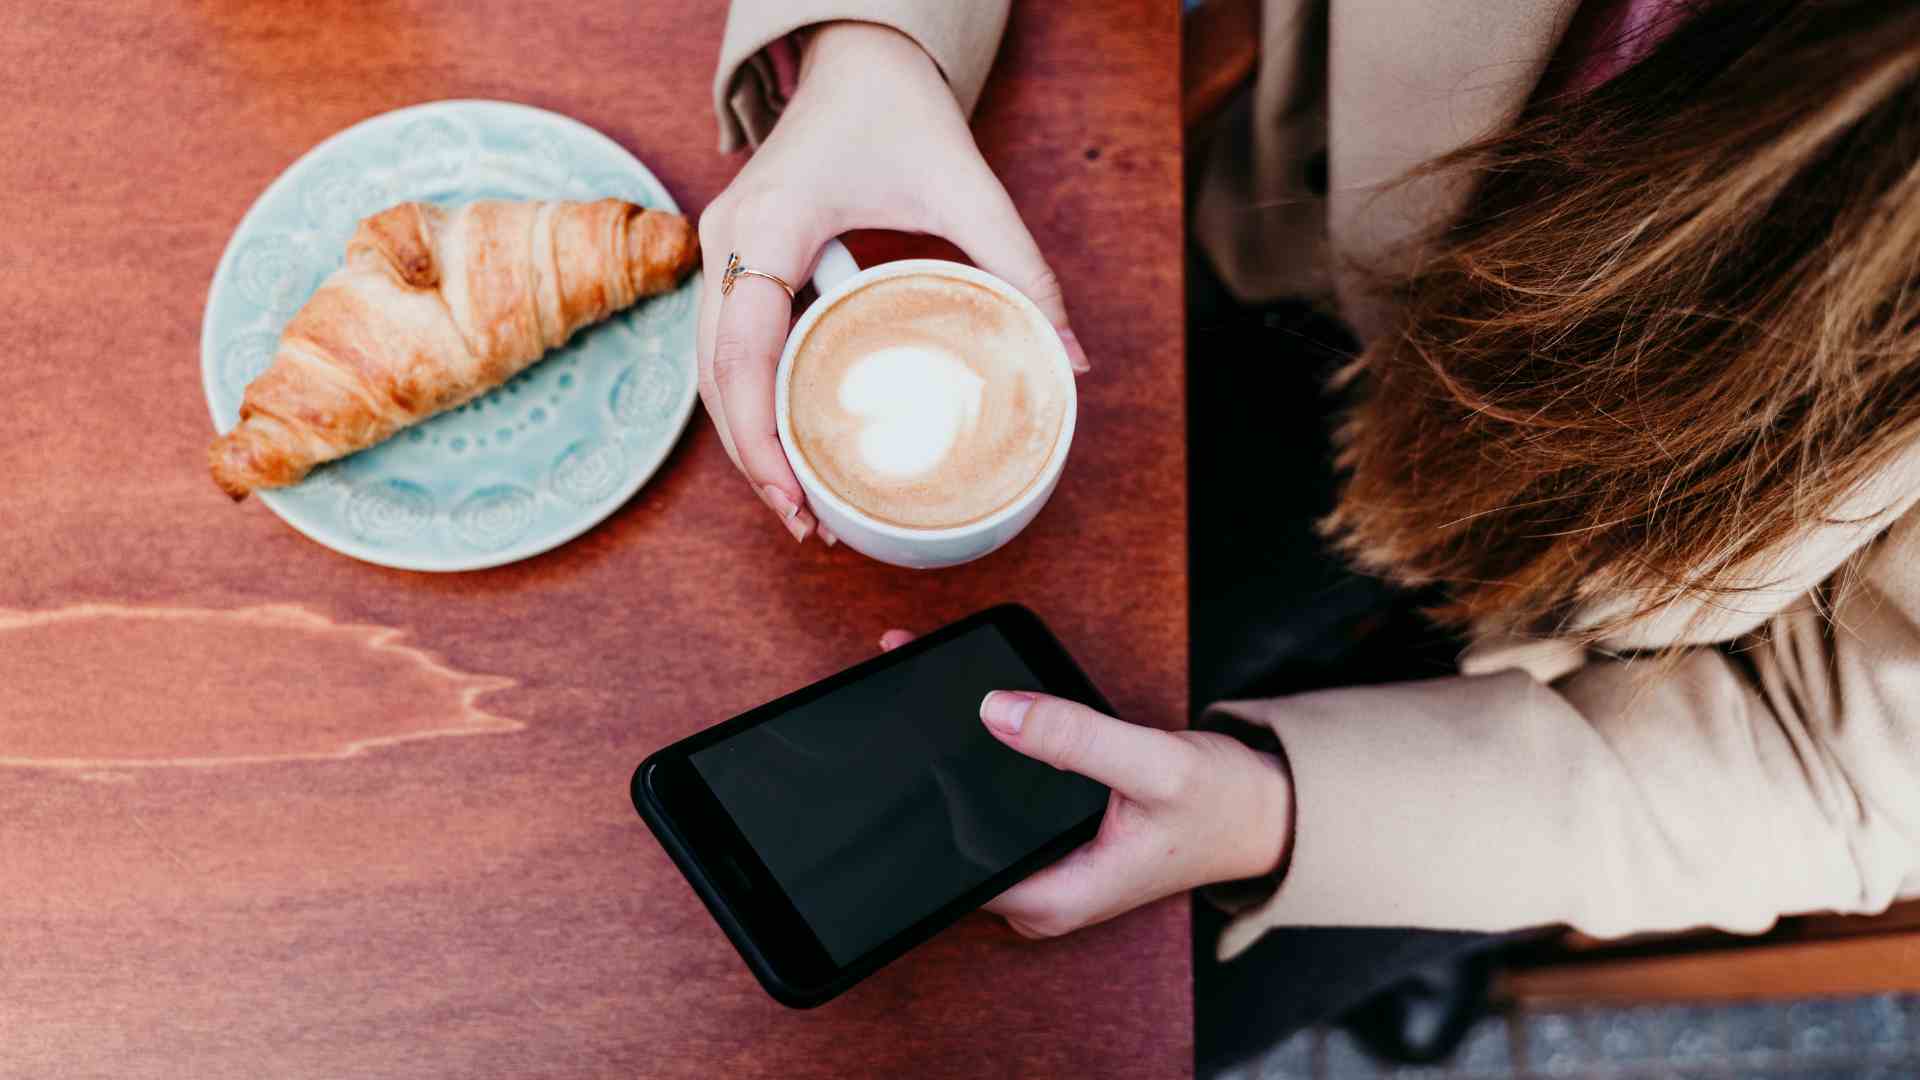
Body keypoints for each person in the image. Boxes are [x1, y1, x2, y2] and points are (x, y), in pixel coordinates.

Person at [700, 0, 1920, 1064]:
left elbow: (1844, 769)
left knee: (1099, 1015)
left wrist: (1284, 815)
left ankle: (1447, 950)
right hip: (1306, 270)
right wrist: (873, 46)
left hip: (1644, 663)